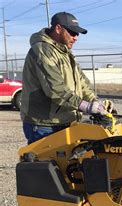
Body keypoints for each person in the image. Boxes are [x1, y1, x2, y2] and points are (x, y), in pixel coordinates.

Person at [20, 11, 113, 144]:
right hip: (45, 124)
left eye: (77, 34)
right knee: (46, 163)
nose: (76, 37)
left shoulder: (66, 53)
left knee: (70, 163)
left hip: (65, 120)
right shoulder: (43, 50)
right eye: (72, 32)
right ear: (58, 29)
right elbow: (55, 89)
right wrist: (86, 106)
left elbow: (82, 83)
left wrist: (95, 102)